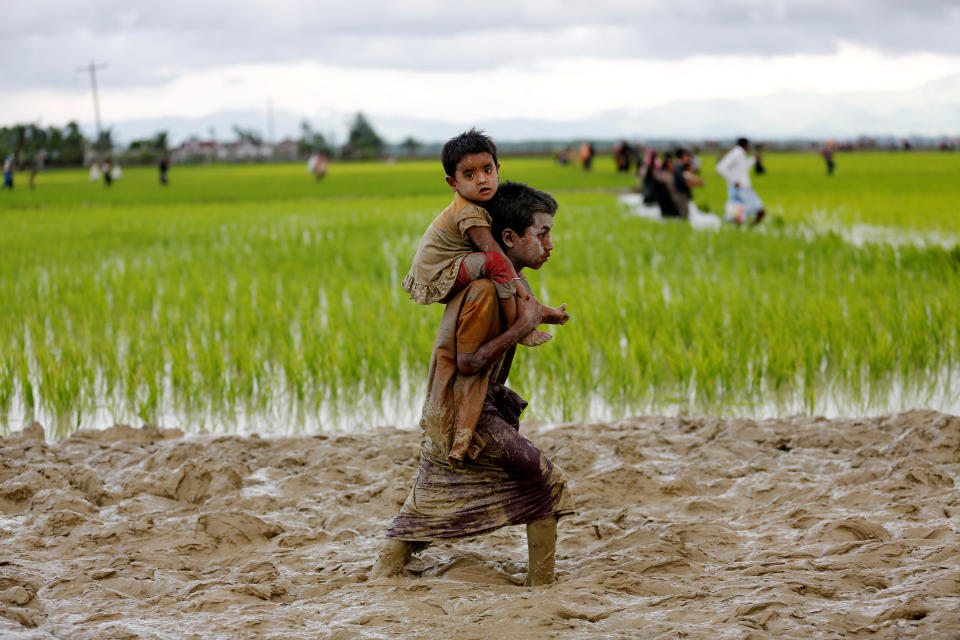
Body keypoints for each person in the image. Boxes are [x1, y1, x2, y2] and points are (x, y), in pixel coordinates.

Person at [372, 180, 574, 586]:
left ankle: (384, 573)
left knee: (432, 499)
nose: (550, 243)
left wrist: (539, 315)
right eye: (543, 233)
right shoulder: (484, 290)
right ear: (509, 238)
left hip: (464, 405)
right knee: (546, 483)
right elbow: (468, 362)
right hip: (464, 408)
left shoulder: (512, 283)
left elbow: (523, 317)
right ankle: (542, 588)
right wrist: (523, 326)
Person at [402, 129, 565, 347]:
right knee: (500, 264)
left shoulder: (478, 202)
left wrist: (515, 281)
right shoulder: (469, 212)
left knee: (510, 270)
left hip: (457, 265)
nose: (481, 180)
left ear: (497, 170)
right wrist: (515, 285)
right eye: (469, 175)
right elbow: (494, 254)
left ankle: (538, 310)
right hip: (441, 273)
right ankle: (518, 328)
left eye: (487, 170)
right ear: (453, 183)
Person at [716, 137, 765, 225]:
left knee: (738, 217)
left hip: (743, 188)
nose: (749, 148)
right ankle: (746, 230)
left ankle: (744, 231)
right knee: (756, 211)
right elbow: (720, 168)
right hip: (739, 189)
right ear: (745, 145)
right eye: (748, 146)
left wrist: (754, 159)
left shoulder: (740, 154)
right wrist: (734, 181)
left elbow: (744, 168)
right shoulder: (736, 153)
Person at [672, 148, 705, 219]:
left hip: (684, 193)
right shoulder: (678, 167)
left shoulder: (682, 166)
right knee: (684, 215)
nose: (689, 158)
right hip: (681, 194)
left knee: (687, 215)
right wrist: (697, 182)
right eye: (687, 156)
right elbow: (685, 181)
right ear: (682, 156)